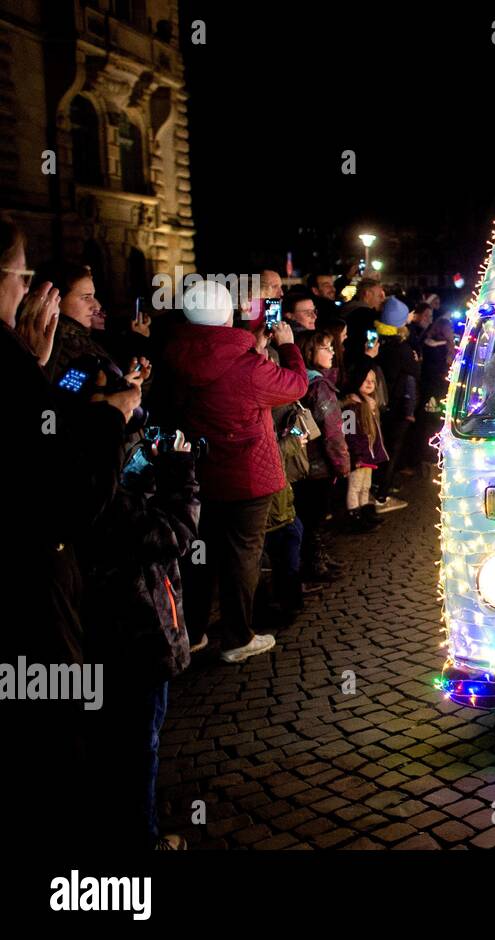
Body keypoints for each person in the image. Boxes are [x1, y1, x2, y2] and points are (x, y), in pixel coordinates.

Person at [1, 214, 141, 849]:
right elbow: (64, 473)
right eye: (21, 276)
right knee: (63, 717)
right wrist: (114, 414)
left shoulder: (48, 354)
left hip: (60, 555)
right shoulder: (52, 357)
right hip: (46, 564)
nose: (30, 291)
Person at [164, 280, 308, 663]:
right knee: (242, 556)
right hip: (246, 475)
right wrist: (288, 346)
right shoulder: (245, 366)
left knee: (200, 554)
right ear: (227, 315)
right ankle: (237, 635)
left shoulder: (175, 354)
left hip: (199, 473)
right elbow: (295, 386)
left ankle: (193, 633)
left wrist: (254, 351)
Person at [83, 428, 199, 851]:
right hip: (136, 633)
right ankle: (140, 836)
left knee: (122, 738)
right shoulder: (108, 502)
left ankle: (134, 813)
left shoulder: (85, 485)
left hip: (100, 632)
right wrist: (181, 471)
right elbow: (177, 533)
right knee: (138, 741)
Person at [296, 329, 350, 579]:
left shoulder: (298, 380)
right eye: (325, 348)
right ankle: (314, 564)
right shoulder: (318, 386)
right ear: (309, 352)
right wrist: (341, 463)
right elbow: (332, 430)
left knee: (309, 516)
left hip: (303, 462)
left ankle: (317, 558)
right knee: (314, 517)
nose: (332, 352)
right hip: (318, 464)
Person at [373, 296, 419, 512]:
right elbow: (413, 374)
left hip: (377, 405)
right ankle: (381, 495)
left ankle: (376, 489)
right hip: (397, 407)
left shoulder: (377, 343)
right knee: (391, 451)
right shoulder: (402, 349)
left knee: (377, 449)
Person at [341, 365, 389, 529]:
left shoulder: (370, 405)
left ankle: (365, 512)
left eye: (373, 381)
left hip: (368, 454)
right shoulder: (350, 406)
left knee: (365, 485)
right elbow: (348, 433)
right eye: (365, 380)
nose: (369, 384)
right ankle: (354, 516)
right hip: (357, 455)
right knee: (354, 486)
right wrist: (355, 454)